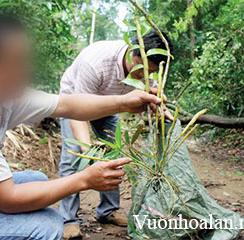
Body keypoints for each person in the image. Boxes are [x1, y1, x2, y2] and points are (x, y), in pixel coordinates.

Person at [0, 14, 165, 240]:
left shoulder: (6, 96)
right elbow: (7, 200)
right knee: (44, 225)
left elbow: (68, 104)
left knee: (36, 179)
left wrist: (124, 102)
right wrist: (85, 178)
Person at [59, 29, 173, 238]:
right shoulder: (95, 63)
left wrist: (161, 106)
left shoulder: (146, 71)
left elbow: (152, 92)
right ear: (132, 52)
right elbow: (78, 111)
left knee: (115, 152)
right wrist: (88, 150)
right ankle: (68, 219)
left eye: (151, 73)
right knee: (73, 156)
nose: (144, 77)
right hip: (73, 101)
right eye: (141, 72)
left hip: (109, 105)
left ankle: (107, 211)